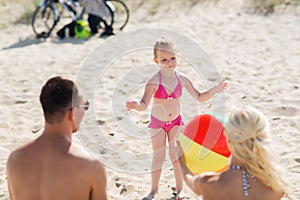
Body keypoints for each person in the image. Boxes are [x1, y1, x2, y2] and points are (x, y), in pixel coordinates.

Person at [126, 37, 228, 200]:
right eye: (164, 60)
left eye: (172, 58)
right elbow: (144, 104)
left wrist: (215, 90)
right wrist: (135, 105)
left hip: (176, 122)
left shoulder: (182, 79)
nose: (169, 62)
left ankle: (180, 190)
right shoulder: (153, 82)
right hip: (158, 124)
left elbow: (200, 97)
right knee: (158, 157)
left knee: (176, 157)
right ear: (156, 60)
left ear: (177, 56)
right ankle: (153, 191)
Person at [6, 76, 108, 200]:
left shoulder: (15, 159)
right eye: (85, 106)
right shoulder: (90, 166)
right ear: (72, 113)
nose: (85, 111)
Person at [177, 106, 291, 200]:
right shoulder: (275, 186)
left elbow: (190, 180)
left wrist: (180, 160)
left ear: (228, 137)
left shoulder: (209, 183)